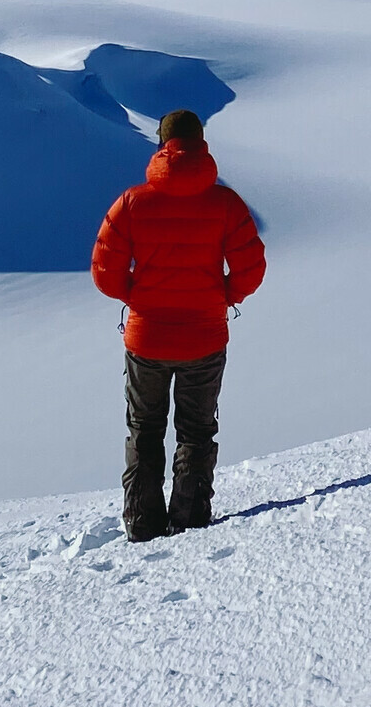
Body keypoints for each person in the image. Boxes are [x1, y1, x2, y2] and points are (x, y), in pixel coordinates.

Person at [90, 108, 266, 540]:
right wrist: (224, 296)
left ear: (162, 146)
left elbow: (104, 270)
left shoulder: (132, 202)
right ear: (201, 143)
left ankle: (142, 524)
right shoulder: (225, 203)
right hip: (205, 336)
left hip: (147, 337)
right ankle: (189, 521)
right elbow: (251, 268)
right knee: (196, 431)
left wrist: (135, 297)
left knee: (144, 430)